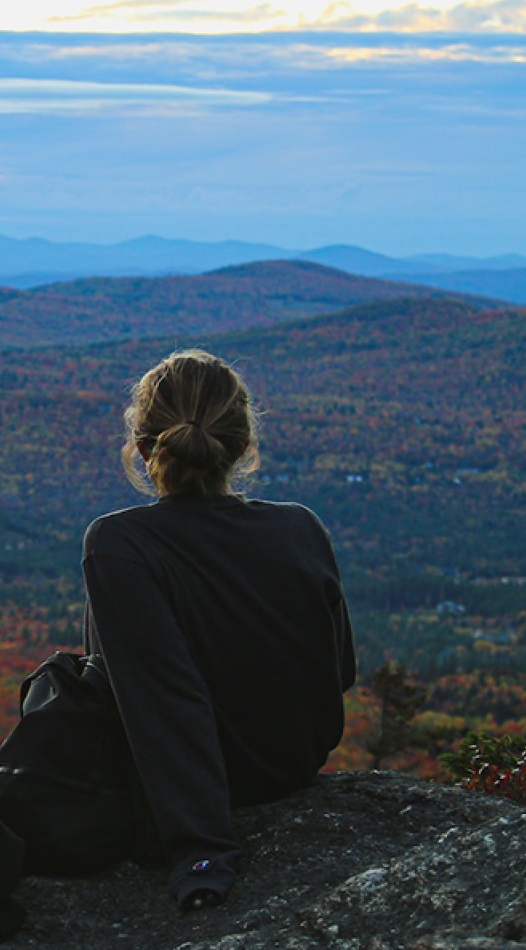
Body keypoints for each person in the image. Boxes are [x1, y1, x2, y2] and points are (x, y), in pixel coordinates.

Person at [82, 349, 355, 910]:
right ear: (242, 445)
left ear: (141, 446)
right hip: (292, 767)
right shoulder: (302, 527)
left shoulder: (120, 542)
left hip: (203, 794)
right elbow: (340, 672)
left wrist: (200, 850)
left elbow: (164, 702)